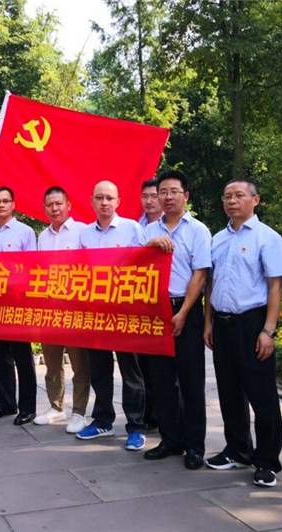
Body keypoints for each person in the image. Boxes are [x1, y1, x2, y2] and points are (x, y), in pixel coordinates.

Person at [203, 179, 282, 487]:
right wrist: (209, 323)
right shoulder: (218, 238)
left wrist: (268, 330)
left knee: (261, 395)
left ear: (256, 200)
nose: (232, 201)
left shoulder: (268, 238)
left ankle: (267, 460)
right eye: (227, 196)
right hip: (222, 323)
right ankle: (237, 449)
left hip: (253, 324)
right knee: (229, 391)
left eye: (239, 195)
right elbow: (210, 283)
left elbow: (275, 285)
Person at [144, 170, 211, 469]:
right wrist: (149, 246)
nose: (168, 197)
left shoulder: (198, 230)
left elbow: (201, 274)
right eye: (163, 191)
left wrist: (182, 312)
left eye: (174, 191)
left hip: (187, 308)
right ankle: (170, 440)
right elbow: (133, 265)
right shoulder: (147, 230)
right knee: (161, 381)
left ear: (186, 196)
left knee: (191, 380)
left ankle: (195, 446)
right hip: (154, 311)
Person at [77, 180, 148, 452]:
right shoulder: (85, 234)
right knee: (100, 369)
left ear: (118, 201)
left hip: (125, 312)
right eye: (99, 198)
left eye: (109, 198)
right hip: (96, 313)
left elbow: (145, 266)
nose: (104, 202)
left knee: (131, 372)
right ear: (92, 201)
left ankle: (136, 426)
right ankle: (103, 420)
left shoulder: (132, 228)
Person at [34, 186, 90, 434]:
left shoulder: (83, 232)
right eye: (49, 205)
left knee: (79, 364)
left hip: (75, 307)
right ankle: (56, 407)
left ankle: (79, 412)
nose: (54, 208)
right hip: (50, 307)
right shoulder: (43, 236)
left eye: (58, 204)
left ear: (69, 205)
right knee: (52, 362)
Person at [0, 186, 38, 425]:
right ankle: (6, 404)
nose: (1, 205)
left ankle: (27, 408)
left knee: (22, 357)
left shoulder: (25, 232)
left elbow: (32, 268)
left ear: (13, 205)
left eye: (6, 201)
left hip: (18, 303)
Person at [138, 178, 162, 430]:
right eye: (145, 196)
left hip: (167, 304)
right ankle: (149, 415)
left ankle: (170, 417)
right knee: (144, 364)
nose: (149, 200)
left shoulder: (172, 226)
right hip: (142, 305)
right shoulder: (137, 227)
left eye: (154, 195)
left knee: (167, 368)